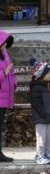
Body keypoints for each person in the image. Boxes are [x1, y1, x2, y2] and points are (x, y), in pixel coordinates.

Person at [29, 58, 50, 165]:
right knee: (41, 138)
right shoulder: (36, 87)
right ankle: (39, 156)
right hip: (41, 118)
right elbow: (36, 104)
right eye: (48, 72)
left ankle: (48, 154)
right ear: (42, 74)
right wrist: (44, 114)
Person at [0, 30, 16, 163]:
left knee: (1, 126)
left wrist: (14, 84)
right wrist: (4, 73)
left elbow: (11, 72)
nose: (5, 45)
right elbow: (5, 72)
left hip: (4, 96)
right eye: (4, 43)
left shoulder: (4, 54)